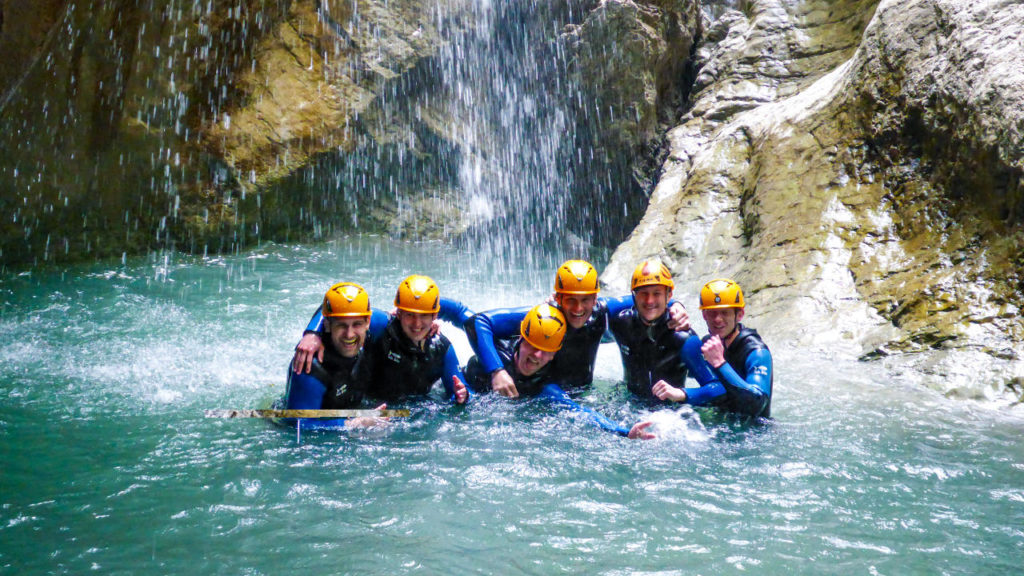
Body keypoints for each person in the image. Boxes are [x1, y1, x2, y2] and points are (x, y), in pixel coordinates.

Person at [466, 259, 690, 396]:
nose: (578, 308)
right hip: (546, 395)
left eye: (585, 300)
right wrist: (497, 371)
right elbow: (478, 321)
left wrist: (674, 304)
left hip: (583, 396)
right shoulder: (546, 317)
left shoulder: (600, 311)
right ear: (557, 297)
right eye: (570, 299)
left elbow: (644, 300)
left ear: (595, 299)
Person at [464, 303, 655, 439]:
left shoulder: (545, 384)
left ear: (554, 355)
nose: (536, 355)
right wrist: (494, 371)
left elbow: (579, 411)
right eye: (532, 345)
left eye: (546, 351)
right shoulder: (494, 351)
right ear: (521, 339)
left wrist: (622, 432)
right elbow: (464, 316)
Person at [292, 275, 472, 405]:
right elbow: (341, 306)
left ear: (435, 316)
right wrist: (312, 333)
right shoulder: (382, 325)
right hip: (370, 404)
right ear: (399, 313)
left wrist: (463, 395)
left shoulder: (442, 348)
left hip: (413, 412)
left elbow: (460, 390)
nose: (417, 324)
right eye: (409, 315)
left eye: (424, 316)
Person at [608, 260, 724, 407]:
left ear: (668, 296)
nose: (650, 301)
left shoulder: (684, 338)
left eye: (656, 293)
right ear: (634, 296)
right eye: (643, 294)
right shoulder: (621, 323)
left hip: (670, 415)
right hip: (629, 405)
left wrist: (681, 394)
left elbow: (718, 388)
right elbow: (591, 312)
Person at [282, 282, 387, 428]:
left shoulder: (374, 327)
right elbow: (297, 425)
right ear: (327, 325)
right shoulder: (310, 367)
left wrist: (430, 321)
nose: (349, 334)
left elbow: (408, 322)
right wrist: (354, 424)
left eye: (356, 325)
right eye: (341, 325)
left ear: (367, 322)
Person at [696, 278, 773, 419]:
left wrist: (720, 363)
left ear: (740, 314)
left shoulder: (757, 352)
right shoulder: (707, 344)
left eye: (725, 312)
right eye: (712, 313)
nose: (718, 319)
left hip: (754, 433)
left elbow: (757, 403)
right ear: (704, 315)